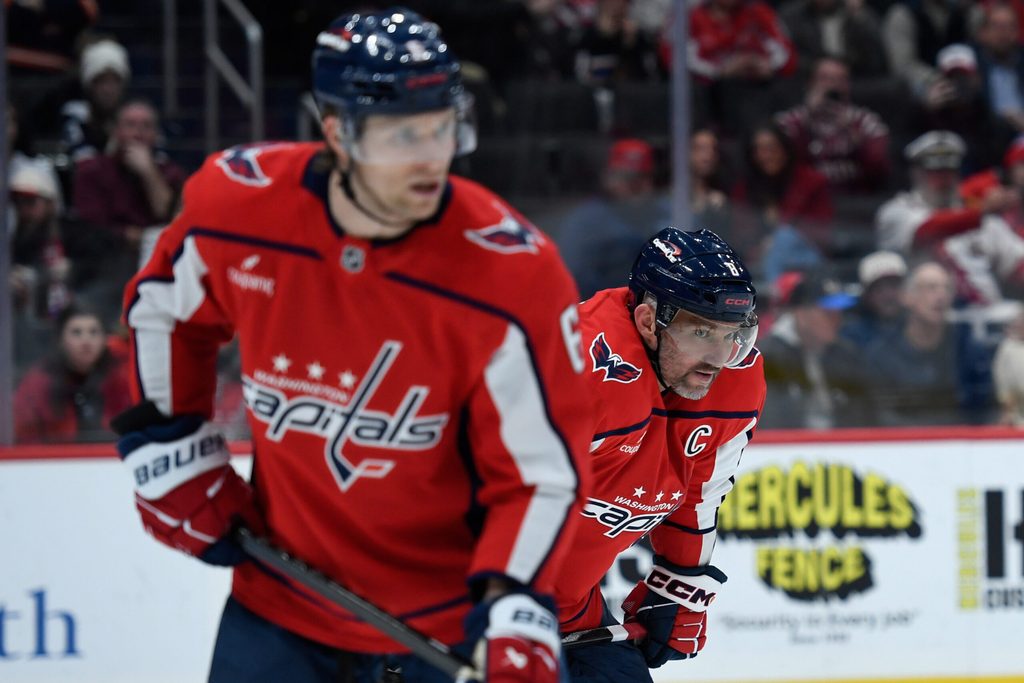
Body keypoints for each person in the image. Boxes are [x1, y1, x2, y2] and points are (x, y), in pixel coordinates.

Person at [113, 8, 591, 683]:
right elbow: (164, 307)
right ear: (337, 131)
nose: (431, 157)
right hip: (279, 607)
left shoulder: (511, 273)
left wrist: (515, 601)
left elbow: (541, 470)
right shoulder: (240, 209)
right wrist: (167, 436)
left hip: (445, 627)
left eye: (441, 127)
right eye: (402, 135)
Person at [554, 228, 766, 682]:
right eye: (702, 331)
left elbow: (697, 494)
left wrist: (678, 587)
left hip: (568, 610)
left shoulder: (735, 380)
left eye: (732, 334)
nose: (718, 356)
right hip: (456, 601)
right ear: (649, 321)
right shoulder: (579, 370)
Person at [876, 130, 1024, 306]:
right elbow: (927, 230)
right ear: (916, 173)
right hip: (923, 315)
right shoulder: (897, 211)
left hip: (985, 316)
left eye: (949, 171)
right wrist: (981, 211)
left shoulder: (978, 217)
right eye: (935, 172)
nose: (943, 181)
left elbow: (1017, 262)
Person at [864, 262, 995, 425]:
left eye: (947, 288)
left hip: (960, 445)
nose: (941, 296)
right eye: (931, 288)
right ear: (906, 297)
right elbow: (881, 417)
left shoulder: (968, 350)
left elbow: (984, 411)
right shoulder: (882, 355)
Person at [758, 270, 874, 429]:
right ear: (800, 313)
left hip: (843, 448)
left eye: (839, 311)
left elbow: (863, 414)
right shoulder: (767, 357)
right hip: (786, 449)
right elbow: (770, 421)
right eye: (827, 312)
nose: (837, 318)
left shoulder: (846, 354)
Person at [559, 138, 670, 299]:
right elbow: (574, 279)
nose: (636, 187)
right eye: (628, 178)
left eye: (643, 178)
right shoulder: (587, 221)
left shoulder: (665, 213)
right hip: (604, 311)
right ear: (609, 178)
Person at [14, 303, 132, 443]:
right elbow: (24, 436)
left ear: (105, 338)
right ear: (61, 339)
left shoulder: (122, 378)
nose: (86, 341)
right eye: (76, 332)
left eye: (93, 332)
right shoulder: (38, 383)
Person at [774, 57, 891, 193]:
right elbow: (781, 167)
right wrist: (807, 120)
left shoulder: (865, 121)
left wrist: (852, 132)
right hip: (807, 200)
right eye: (825, 79)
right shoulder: (790, 121)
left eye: (841, 80)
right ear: (810, 84)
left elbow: (879, 169)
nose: (833, 86)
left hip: (856, 198)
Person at [60, 39, 131, 162]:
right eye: (101, 81)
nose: (108, 90)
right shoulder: (74, 114)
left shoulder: (134, 118)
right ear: (89, 86)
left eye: (115, 81)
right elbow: (85, 163)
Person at [840, 249, 907, 348]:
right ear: (866, 295)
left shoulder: (917, 326)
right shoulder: (853, 335)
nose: (888, 295)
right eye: (879, 288)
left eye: (893, 285)